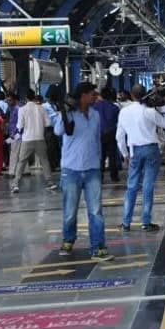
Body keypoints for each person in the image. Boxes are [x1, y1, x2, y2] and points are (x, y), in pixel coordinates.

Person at [52, 83, 112, 260]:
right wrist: (64, 112)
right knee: (70, 210)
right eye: (93, 94)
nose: (96, 97)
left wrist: (100, 162)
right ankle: (68, 239)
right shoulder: (69, 114)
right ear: (83, 95)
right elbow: (58, 131)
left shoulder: (95, 115)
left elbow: (96, 140)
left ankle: (98, 246)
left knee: (95, 210)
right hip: (71, 169)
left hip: (93, 168)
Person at [116, 83, 165, 232]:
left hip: (134, 150)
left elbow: (119, 136)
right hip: (151, 150)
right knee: (148, 186)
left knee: (132, 186)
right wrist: (163, 106)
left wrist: (125, 154)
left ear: (131, 95)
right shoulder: (149, 112)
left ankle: (126, 223)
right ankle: (145, 222)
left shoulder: (124, 112)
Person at [11, 92, 55, 194]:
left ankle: (15, 184)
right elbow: (48, 123)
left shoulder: (22, 109)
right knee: (44, 160)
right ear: (35, 97)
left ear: (26, 98)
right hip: (40, 138)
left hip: (27, 139)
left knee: (21, 161)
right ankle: (50, 182)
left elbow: (20, 125)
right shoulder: (42, 108)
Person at [94, 88, 121, 183]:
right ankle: (114, 176)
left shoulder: (95, 106)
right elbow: (118, 122)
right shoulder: (115, 107)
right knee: (112, 156)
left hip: (99, 134)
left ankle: (100, 177)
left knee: (100, 156)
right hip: (112, 133)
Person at [5, 94, 21, 178]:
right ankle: (25, 170)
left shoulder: (17, 109)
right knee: (19, 153)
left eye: (10, 100)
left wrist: (13, 133)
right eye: (7, 100)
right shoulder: (11, 109)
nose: (8, 102)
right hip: (14, 133)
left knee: (14, 152)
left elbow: (18, 122)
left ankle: (12, 172)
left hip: (16, 134)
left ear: (14, 100)